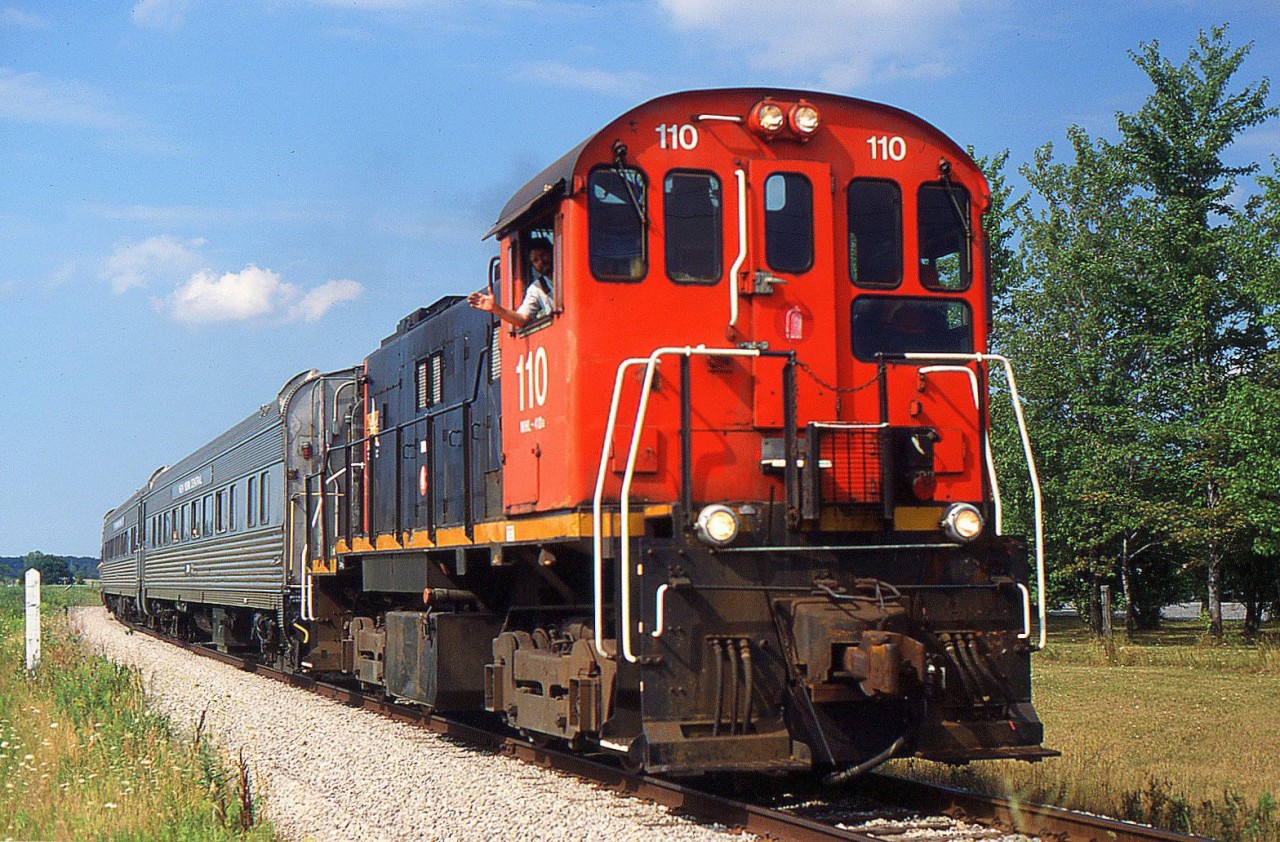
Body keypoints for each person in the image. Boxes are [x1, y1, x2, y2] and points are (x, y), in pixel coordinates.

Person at [468, 238, 554, 328]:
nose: (541, 261)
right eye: (535, 260)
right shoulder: (537, 288)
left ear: (552, 252)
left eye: (543, 255)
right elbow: (522, 318)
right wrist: (495, 308)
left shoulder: (569, 271)